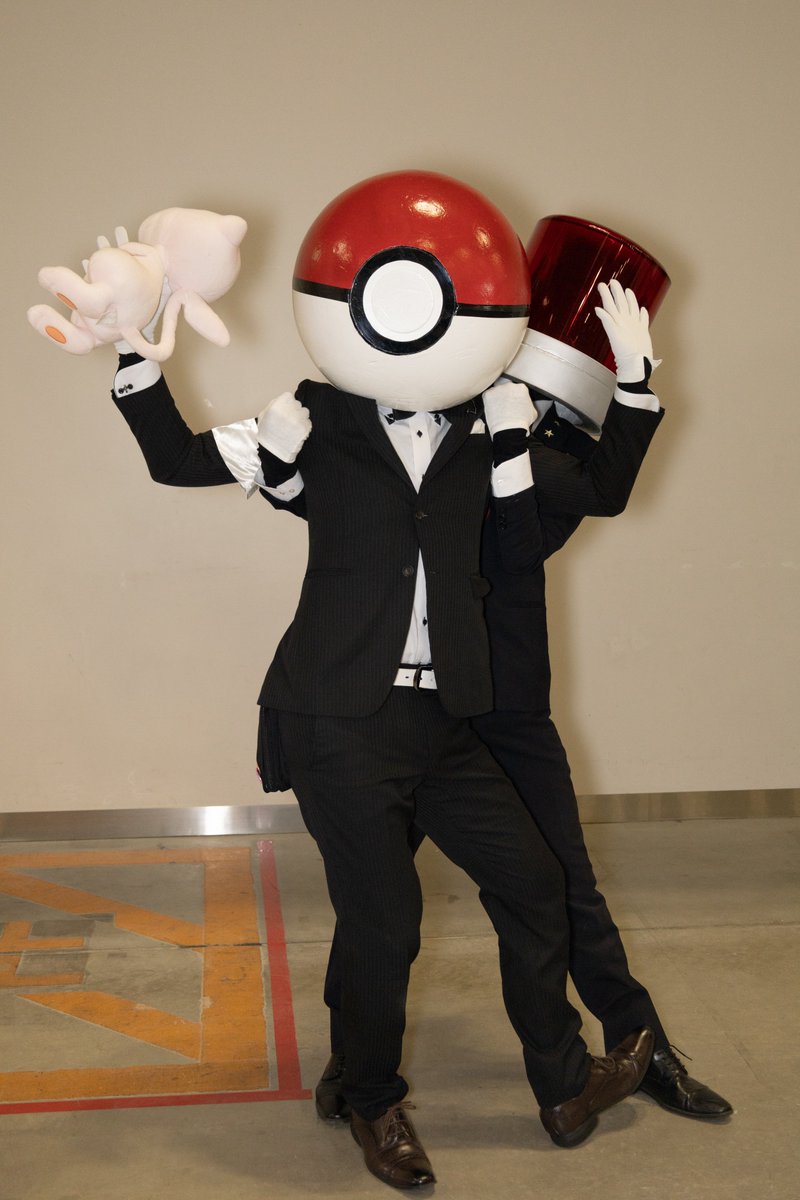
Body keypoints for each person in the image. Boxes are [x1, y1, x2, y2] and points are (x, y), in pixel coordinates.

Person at [109, 275, 664, 1189]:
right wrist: (136, 356)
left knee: (535, 884)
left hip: (444, 720)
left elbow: (595, 495)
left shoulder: (489, 417)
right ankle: (371, 1100)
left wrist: (634, 384)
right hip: (336, 718)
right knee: (385, 921)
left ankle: (566, 1086)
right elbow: (177, 460)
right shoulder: (318, 415)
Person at [315, 396, 732, 1129]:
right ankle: (351, 1061)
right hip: (409, 708)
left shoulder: (526, 439)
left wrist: (623, 393)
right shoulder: (408, 427)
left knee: (566, 884)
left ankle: (645, 1050)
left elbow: (595, 494)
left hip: (507, 705)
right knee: (374, 903)